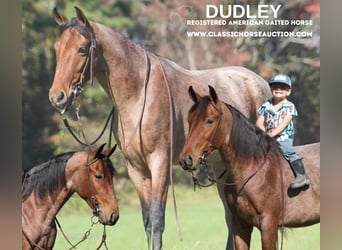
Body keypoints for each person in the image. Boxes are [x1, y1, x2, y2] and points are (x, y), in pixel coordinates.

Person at [256, 73, 310, 189]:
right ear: (271, 89)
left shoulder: (289, 106)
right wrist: (265, 133)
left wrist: (272, 134)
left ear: (288, 91)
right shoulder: (266, 105)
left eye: (283, 88)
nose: (279, 89)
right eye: (275, 87)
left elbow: (284, 124)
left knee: (286, 150)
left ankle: (302, 176)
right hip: (267, 135)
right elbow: (259, 122)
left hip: (283, 136)